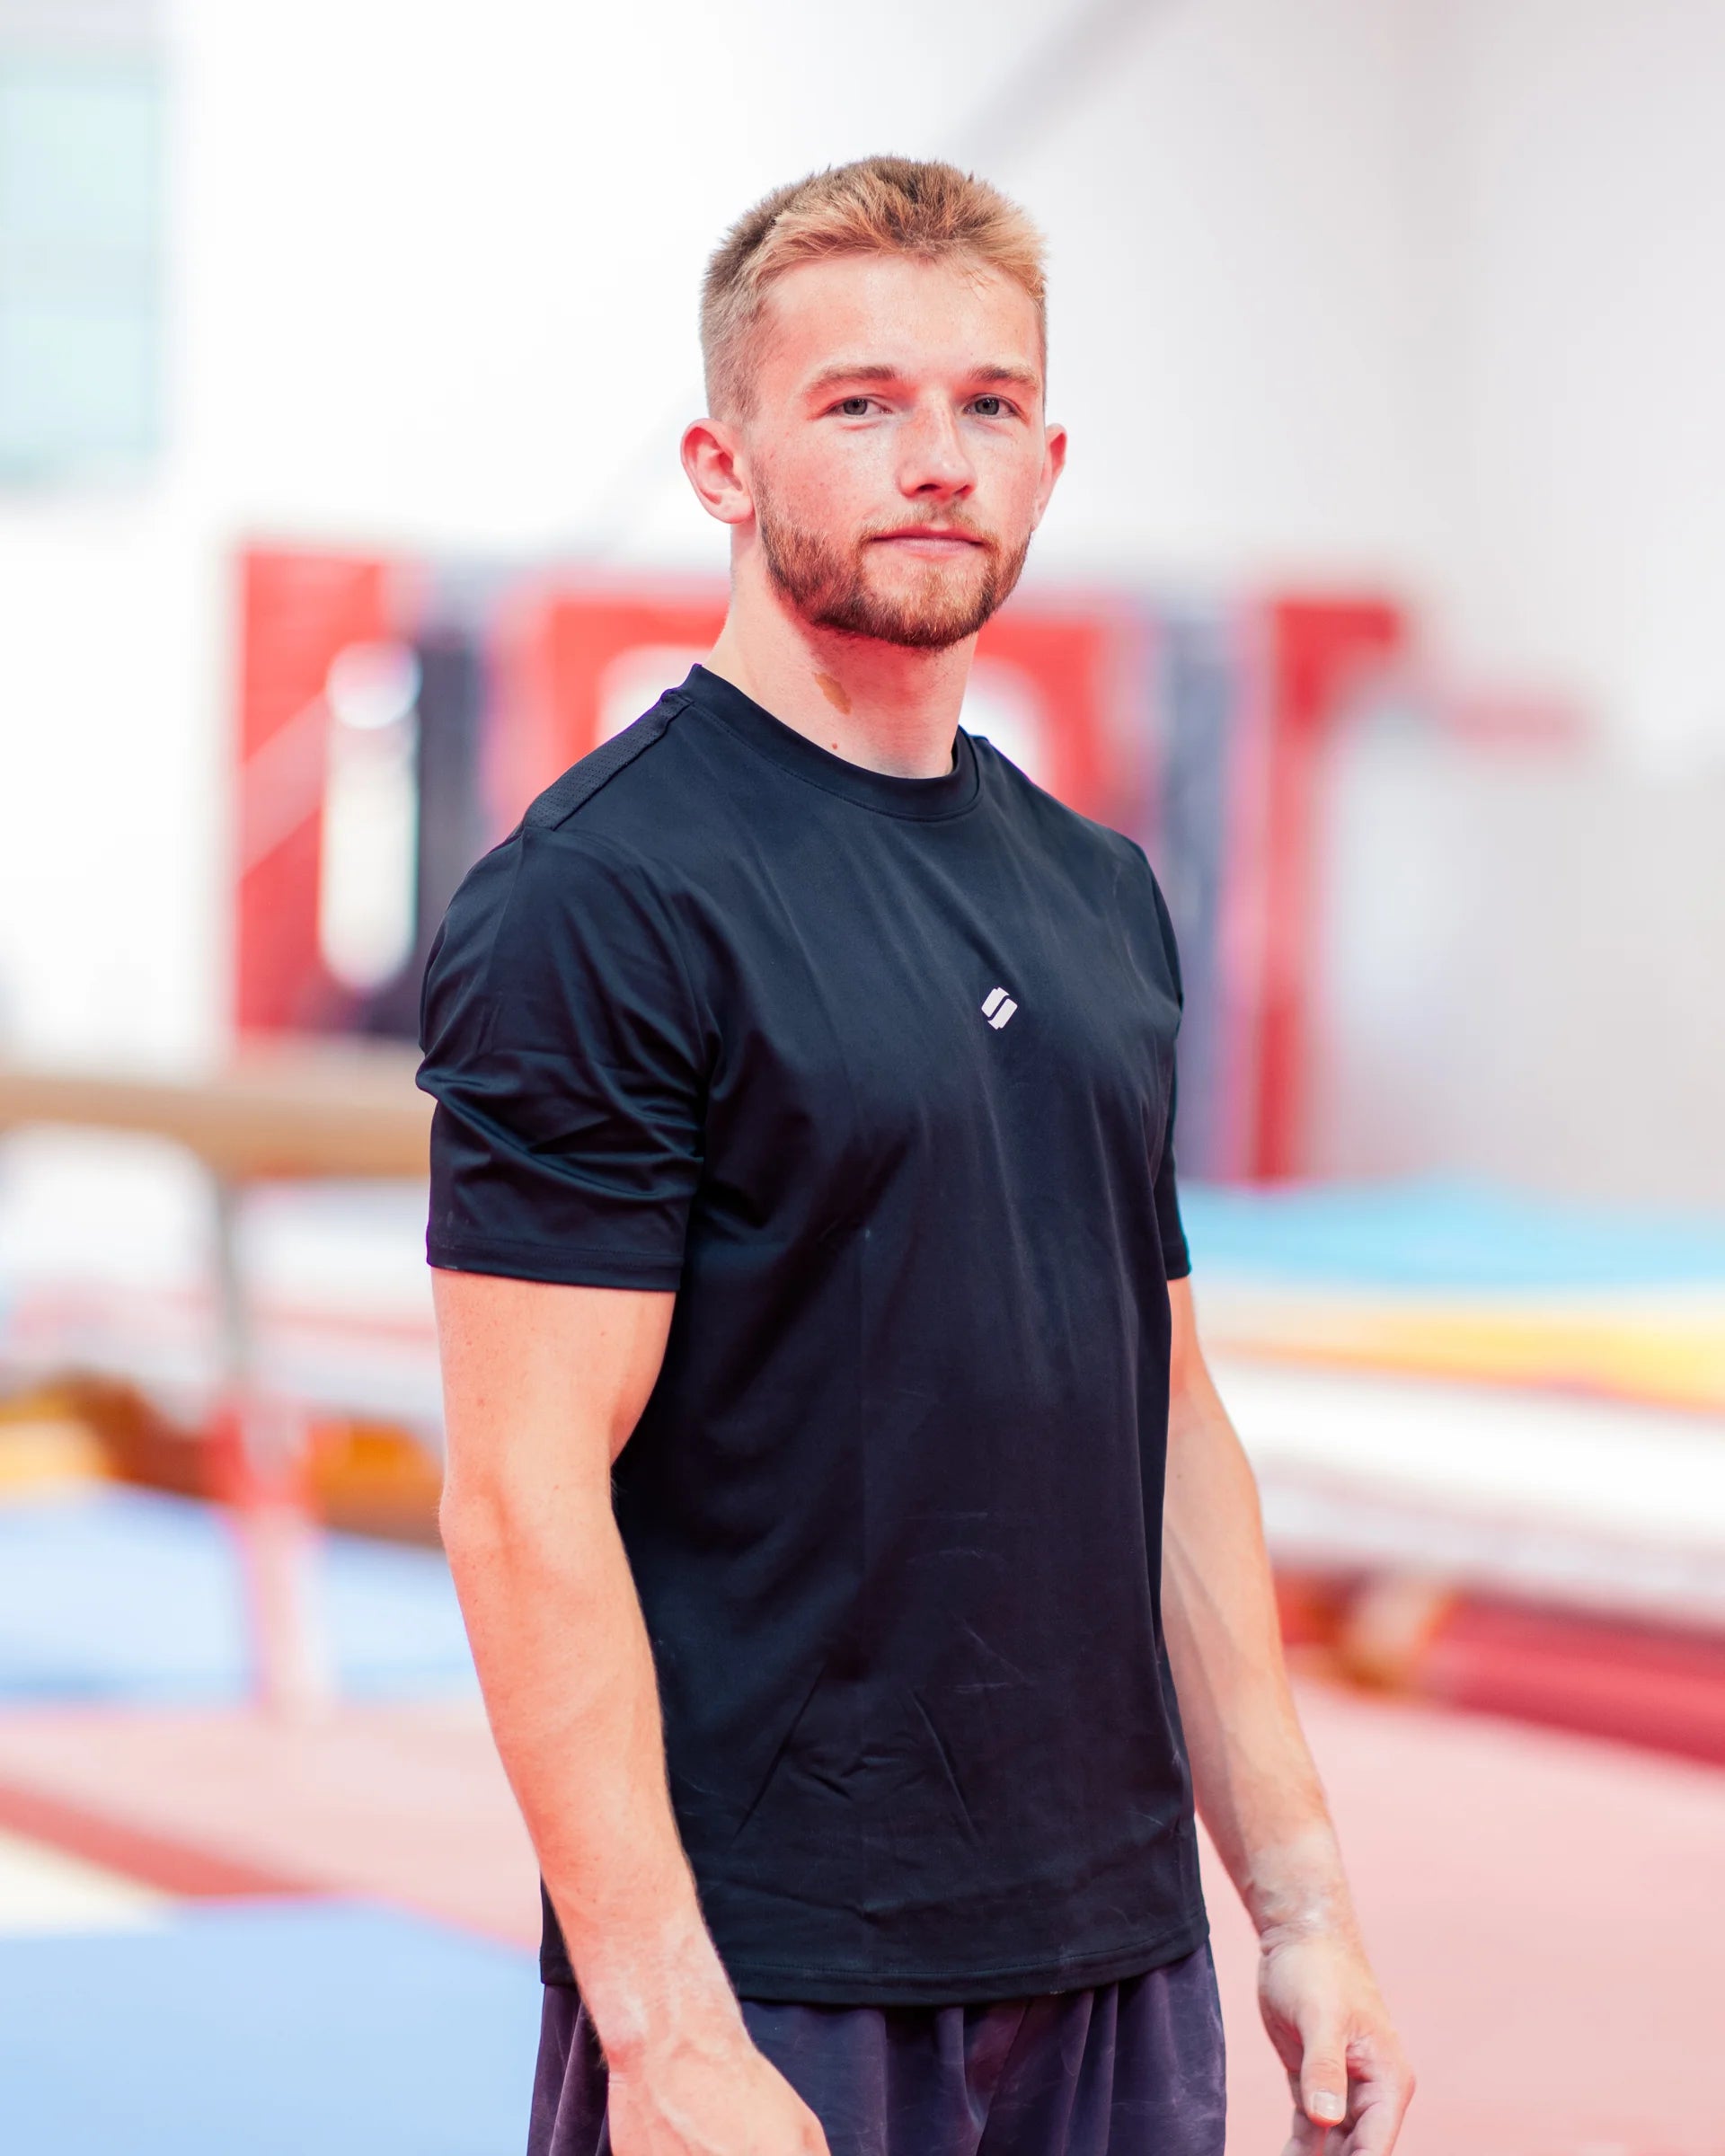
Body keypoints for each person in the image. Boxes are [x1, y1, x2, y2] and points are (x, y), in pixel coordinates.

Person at [419, 156, 1413, 2156]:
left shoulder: (1098, 891)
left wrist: (1297, 1899)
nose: (936, 458)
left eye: (984, 406)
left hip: (1114, 1955)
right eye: (860, 404)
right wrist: (665, 2027)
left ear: (1048, 459)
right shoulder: (604, 900)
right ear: (721, 459)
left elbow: (1169, 1417)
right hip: (784, 1970)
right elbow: (526, 1495)